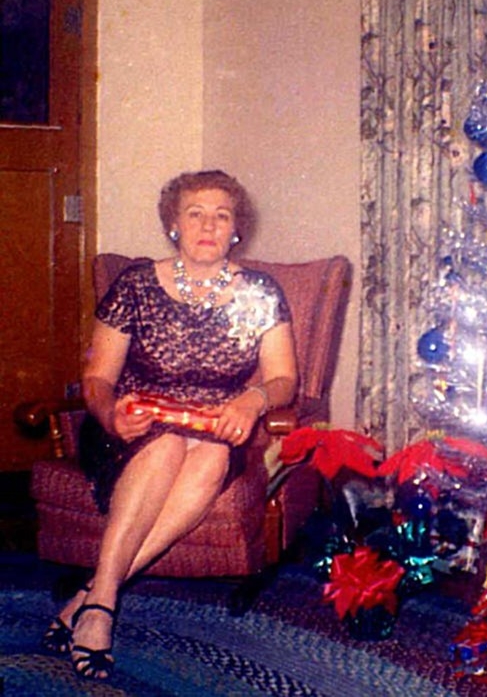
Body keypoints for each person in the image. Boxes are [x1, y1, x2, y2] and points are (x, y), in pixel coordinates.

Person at [42, 170, 298, 680]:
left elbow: (284, 378)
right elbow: (96, 377)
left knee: (212, 456)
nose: (208, 225)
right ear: (174, 224)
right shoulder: (135, 285)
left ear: (236, 229)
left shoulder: (261, 292)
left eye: (221, 215)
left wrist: (253, 401)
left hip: (215, 428)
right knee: (164, 450)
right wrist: (111, 414)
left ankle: (94, 598)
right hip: (133, 429)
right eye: (195, 213)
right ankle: (102, 605)